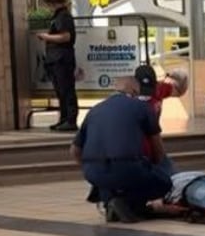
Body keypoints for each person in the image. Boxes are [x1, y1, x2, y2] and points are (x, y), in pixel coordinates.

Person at [73, 73, 172, 224]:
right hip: (126, 167)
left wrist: (88, 167)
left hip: (93, 171)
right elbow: (158, 149)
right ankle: (128, 204)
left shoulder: (94, 110)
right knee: (163, 181)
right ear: (133, 91)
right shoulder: (141, 107)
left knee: (109, 179)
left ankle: (111, 202)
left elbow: (74, 149)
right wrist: (155, 166)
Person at [36, 0, 79, 132]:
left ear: (54, 2)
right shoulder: (58, 16)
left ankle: (70, 120)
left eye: (49, 4)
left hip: (62, 59)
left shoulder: (64, 17)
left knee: (66, 90)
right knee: (60, 91)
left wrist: (45, 37)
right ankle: (64, 119)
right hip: (56, 59)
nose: (48, 7)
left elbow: (65, 36)